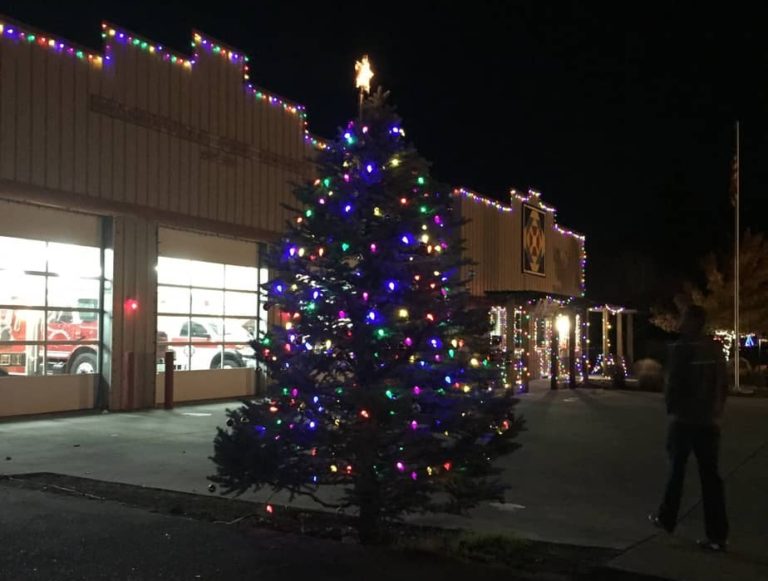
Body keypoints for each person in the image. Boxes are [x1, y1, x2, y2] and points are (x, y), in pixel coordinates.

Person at [649, 305, 729, 552]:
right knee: (710, 477)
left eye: (684, 318)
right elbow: (722, 383)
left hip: (685, 420)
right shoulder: (714, 349)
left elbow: (674, 383)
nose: (681, 323)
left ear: (693, 322)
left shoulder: (682, 349)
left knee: (677, 471)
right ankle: (717, 534)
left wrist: (672, 408)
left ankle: (667, 518)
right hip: (709, 421)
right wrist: (716, 410)